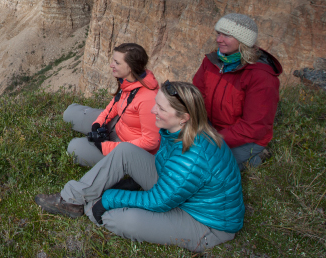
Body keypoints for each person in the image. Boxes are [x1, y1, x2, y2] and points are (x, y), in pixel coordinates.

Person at [35, 81, 245, 252]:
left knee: (123, 219)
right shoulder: (180, 131)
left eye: (161, 108)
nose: (153, 110)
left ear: (183, 118)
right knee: (125, 151)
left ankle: (88, 206)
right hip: (179, 191)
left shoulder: (191, 156)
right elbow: (167, 177)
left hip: (205, 223)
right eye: (157, 103)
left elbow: (158, 201)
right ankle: (72, 199)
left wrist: (107, 199)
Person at [192, 13, 282, 170]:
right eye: (218, 33)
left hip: (246, 139)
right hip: (212, 129)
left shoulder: (261, 76)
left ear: (243, 41)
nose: (219, 39)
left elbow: (253, 127)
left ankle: (253, 157)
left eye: (226, 35)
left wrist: (211, 139)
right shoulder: (211, 62)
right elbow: (197, 96)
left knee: (203, 166)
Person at [63, 43, 160, 167]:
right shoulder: (129, 81)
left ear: (130, 67)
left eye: (117, 63)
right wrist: (99, 122)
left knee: (74, 148)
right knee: (70, 113)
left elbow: (151, 142)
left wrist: (106, 146)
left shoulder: (148, 98)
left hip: (131, 147)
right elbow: (115, 104)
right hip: (119, 124)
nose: (111, 65)